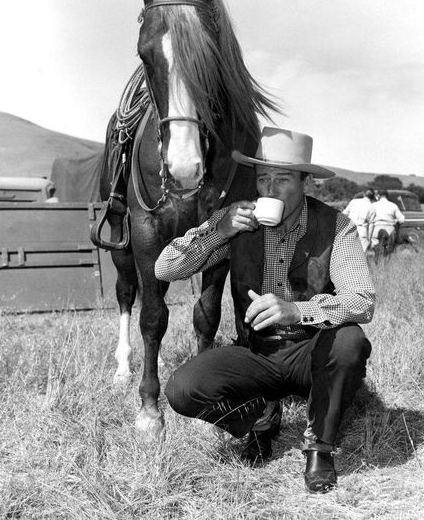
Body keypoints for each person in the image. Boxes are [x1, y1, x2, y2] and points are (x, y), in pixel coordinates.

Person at [155, 127, 375, 494]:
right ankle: (258, 419)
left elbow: (363, 301)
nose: (269, 189)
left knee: (350, 342)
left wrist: (296, 310)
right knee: (182, 389)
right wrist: (218, 232)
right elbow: (165, 269)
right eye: (263, 178)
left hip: (310, 351)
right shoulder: (237, 219)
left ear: (305, 182)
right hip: (256, 351)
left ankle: (319, 446)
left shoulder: (337, 225)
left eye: (283, 178)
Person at [370, 189, 405, 257]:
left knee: (376, 246)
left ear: (378, 195)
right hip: (390, 229)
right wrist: (395, 221)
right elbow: (401, 219)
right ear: (387, 196)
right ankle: (386, 263)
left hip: (376, 228)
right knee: (388, 249)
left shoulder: (373, 205)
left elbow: (368, 218)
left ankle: (378, 261)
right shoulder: (393, 205)